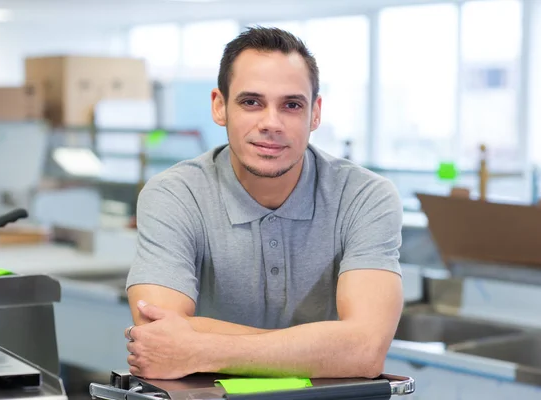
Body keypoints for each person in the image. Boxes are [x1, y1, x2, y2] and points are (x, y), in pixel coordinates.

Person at [124, 26, 403, 381]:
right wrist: (327, 349)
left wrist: (200, 347)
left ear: (314, 113)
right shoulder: (176, 194)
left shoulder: (365, 197)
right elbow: (157, 337)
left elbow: (365, 351)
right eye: (251, 102)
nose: (271, 123)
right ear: (219, 106)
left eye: (291, 105)